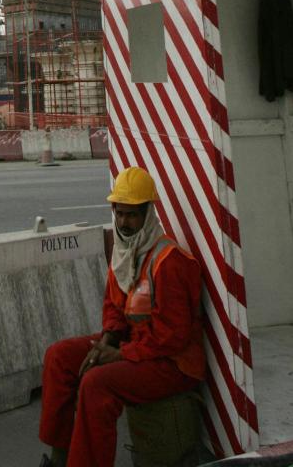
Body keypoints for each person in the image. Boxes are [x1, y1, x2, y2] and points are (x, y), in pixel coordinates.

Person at [38, 166, 205, 467]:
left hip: (171, 363)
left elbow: (173, 337)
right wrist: (108, 340)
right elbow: (113, 307)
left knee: (97, 383)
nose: (124, 223)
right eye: (120, 214)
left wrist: (119, 355)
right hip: (132, 346)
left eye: (132, 215)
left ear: (147, 214)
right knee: (59, 357)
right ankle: (59, 458)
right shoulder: (124, 251)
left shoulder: (169, 262)